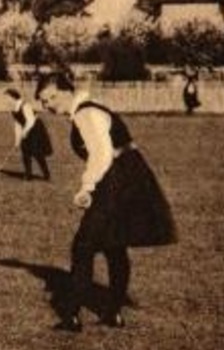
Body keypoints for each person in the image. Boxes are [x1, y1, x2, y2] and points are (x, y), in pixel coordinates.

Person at [36, 72, 176, 333]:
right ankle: (112, 313)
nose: (47, 106)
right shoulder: (89, 110)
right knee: (114, 245)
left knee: (83, 246)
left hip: (117, 179)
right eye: (43, 102)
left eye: (50, 99)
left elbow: (101, 154)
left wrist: (87, 186)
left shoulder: (85, 114)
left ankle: (72, 316)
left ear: (66, 92)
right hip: (129, 176)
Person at [5, 86, 53, 181]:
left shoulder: (24, 105)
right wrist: (17, 139)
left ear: (13, 97)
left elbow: (30, 120)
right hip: (26, 128)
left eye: (7, 98)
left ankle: (46, 174)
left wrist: (25, 132)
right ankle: (28, 175)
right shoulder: (13, 109)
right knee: (25, 151)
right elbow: (18, 124)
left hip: (35, 128)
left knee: (37, 152)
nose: (6, 100)